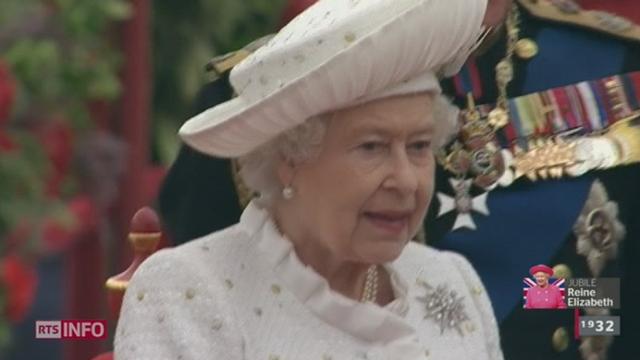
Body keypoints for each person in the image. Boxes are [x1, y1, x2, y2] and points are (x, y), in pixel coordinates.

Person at [115, 0, 507, 359]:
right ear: (289, 157)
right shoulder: (192, 291)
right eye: (372, 147)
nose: (406, 181)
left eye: (420, 147)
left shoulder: (452, 279)